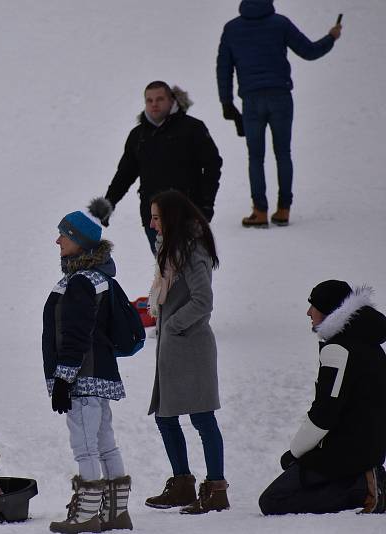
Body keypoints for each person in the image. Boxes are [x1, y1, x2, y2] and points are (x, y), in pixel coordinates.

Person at [258, 281, 386, 515]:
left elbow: (324, 414)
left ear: (328, 309)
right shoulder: (370, 344)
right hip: (370, 449)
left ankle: (363, 489)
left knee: (273, 501)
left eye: (313, 306)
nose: (308, 312)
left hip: (344, 453)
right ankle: (365, 480)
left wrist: (294, 453)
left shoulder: (338, 349)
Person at [43, 198, 132, 533]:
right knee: (105, 442)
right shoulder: (99, 278)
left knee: (85, 447)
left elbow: (75, 334)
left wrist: (64, 379)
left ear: (78, 241)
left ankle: (86, 516)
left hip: (82, 378)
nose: (57, 241)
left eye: (63, 235)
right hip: (100, 376)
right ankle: (115, 513)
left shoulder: (80, 281)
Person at [217, 0, 342, 227]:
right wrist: (331, 37)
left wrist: (226, 102)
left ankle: (260, 211)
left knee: (256, 156)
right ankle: (283, 210)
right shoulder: (280, 23)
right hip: (281, 97)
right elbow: (309, 51)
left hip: (251, 101)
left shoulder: (232, 29)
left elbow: (223, 68)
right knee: (283, 152)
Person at [145, 190, 228, 515]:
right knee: (166, 417)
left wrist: (174, 326)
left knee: (202, 418)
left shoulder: (193, 251)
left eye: (156, 217)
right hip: (173, 347)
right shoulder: (172, 251)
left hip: (190, 346)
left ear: (172, 217)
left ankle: (216, 488)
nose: (152, 225)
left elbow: (203, 301)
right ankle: (182, 484)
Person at [105, 81, 222, 255]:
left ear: (172, 100)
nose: (154, 104)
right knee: (165, 271)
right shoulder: (138, 135)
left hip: (188, 214)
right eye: (149, 100)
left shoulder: (193, 128)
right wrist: (108, 203)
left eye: (159, 99)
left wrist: (205, 206)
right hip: (152, 218)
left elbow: (213, 166)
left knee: (192, 271)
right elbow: (125, 174)